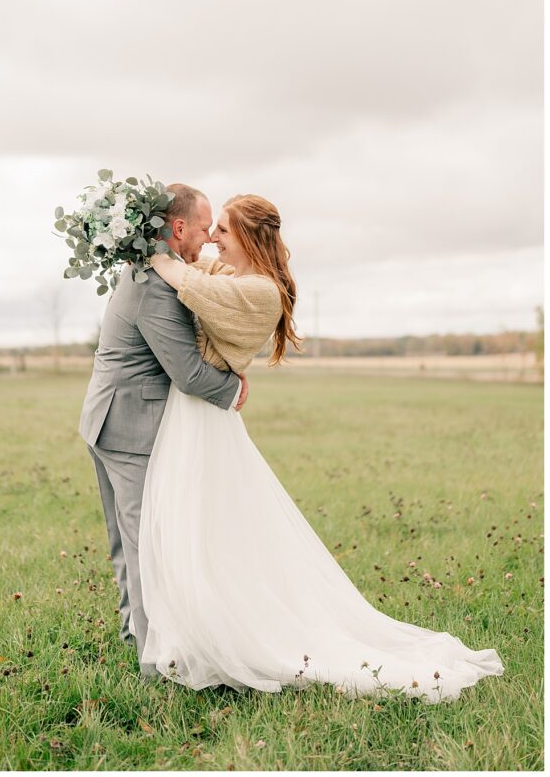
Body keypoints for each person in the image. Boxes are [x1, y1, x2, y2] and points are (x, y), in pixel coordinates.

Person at [138, 194, 505, 702]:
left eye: (223, 229)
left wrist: (150, 254)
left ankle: (229, 635)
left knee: (207, 525)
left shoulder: (260, 291)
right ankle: (196, 629)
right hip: (194, 412)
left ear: (247, 237)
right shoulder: (230, 273)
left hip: (204, 414)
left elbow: (191, 283)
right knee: (197, 525)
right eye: (214, 228)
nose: (215, 237)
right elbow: (197, 265)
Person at [77, 184, 248, 677]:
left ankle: (137, 632)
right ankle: (153, 658)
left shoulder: (147, 268)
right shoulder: (155, 285)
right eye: (202, 228)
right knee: (141, 543)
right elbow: (186, 371)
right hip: (129, 428)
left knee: (125, 540)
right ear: (177, 228)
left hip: (107, 418)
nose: (208, 239)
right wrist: (234, 389)